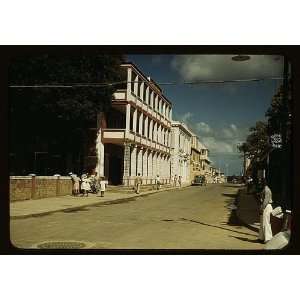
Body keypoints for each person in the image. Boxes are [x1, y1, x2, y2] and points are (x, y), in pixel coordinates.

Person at [258, 178, 273, 243]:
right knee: (262, 223)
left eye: (261, 182)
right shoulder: (264, 189)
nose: (260, 183)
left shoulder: (266, 190)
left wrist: (262, 208)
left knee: (266, 223)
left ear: (264, 183)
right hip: (264, 206)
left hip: (266, 207)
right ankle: (261, 238)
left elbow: (266, 201)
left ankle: (268, 238)